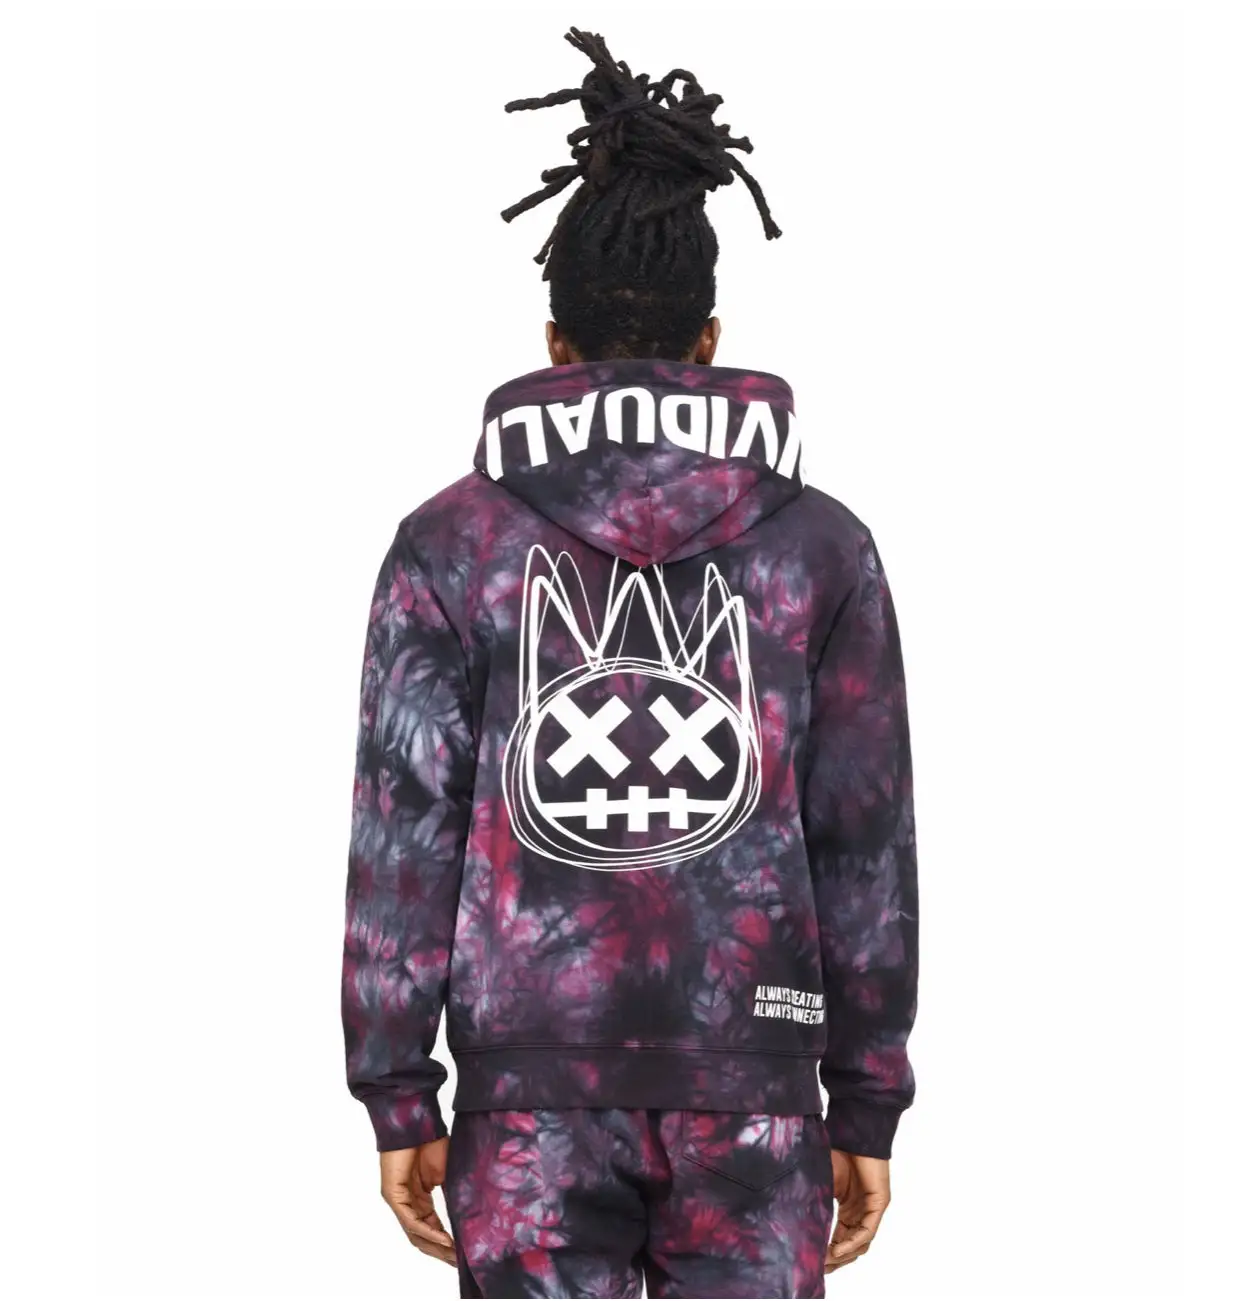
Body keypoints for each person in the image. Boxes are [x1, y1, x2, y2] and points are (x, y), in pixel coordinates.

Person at [342, 28, 918, 1300]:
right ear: (708, 341)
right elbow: (865, 844)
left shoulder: (452, 541)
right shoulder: (820, 545)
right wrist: (867, 1093)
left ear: (555, 346)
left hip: (526, 1094)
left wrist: (398, 1087)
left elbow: (403, 837)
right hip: (756, 1085)